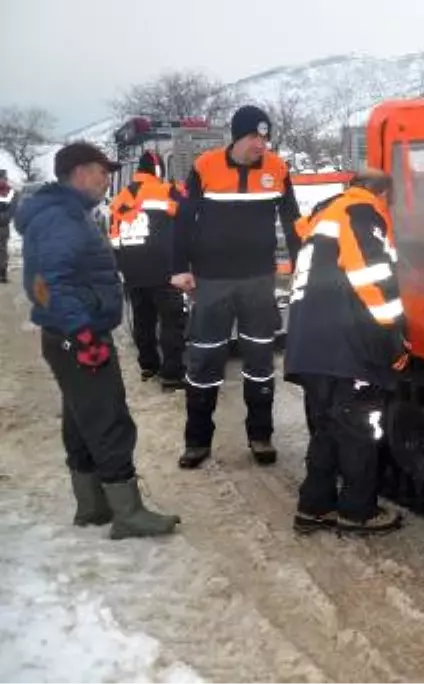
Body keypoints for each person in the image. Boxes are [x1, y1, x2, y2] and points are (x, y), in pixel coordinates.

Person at [14, 142, 180, 539]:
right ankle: (127, 512)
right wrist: (82, 332)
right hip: (77, 335)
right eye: (101, 172)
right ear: (79, 172)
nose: (107, 179)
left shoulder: (66, 214)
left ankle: (92, 505)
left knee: (81, 418)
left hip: (69, 333)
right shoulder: (62, 219)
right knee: (108, 418)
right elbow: (45, 284)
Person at [171, 106, 301, 469]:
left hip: (258, 281)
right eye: (254, 137)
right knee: (205, 359)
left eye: (266, 138)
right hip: (212, 281)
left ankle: (260, 436)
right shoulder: (205, 167)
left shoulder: (277, 169)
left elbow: (293, 222)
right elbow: (182, 219)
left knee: (260, 360)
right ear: (237, 136)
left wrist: (302, 264)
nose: (262, 144)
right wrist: (179, 267)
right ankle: (197, 442)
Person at [285, 169, 408, 536]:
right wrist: (394, 338)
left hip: (311, 343)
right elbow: (372, 281)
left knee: (327, 427)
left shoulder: (326, 215)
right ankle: (358, 511)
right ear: (380, 193)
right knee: (358, 430)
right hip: (345, 346)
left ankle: (314, 507)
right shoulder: (360, 213)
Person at [108, 150, 186, 389]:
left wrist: (122, 267)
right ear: (158, 169)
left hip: (132, 272)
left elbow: (114, 238)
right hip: (162, 270)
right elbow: (186, 211)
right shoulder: (164, 191)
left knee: (143, 321)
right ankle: (172, 374)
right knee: (172, 322)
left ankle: (148, 366)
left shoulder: (120, 197)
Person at [0, 168, 14, 283]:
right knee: (2, 249)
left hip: (3, 224)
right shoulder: (9, 191)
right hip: (3, 225)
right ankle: (3, 274)